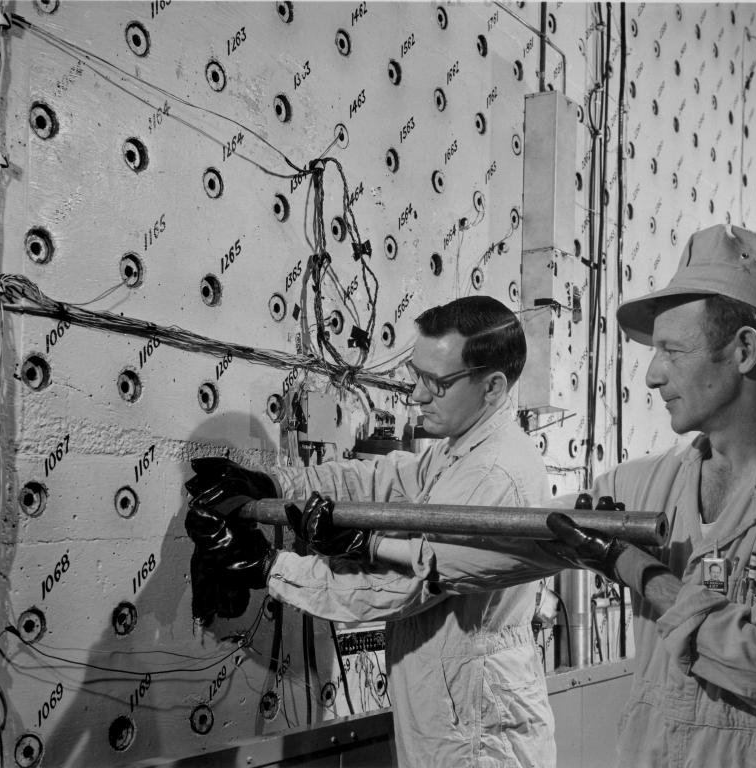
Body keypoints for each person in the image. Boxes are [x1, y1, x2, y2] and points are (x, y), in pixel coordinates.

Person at [538, 223, 756, 767]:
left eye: (671, 351)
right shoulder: (645, 483)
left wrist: (635, 568)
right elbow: (533, 532)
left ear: (744, 351)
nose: (653, 376)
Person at [185, 295, 558, 768]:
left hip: (478, 727)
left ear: (492, 386)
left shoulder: (493, 474)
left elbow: (395, 587)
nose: (417, 396)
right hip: (454, 704)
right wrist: (276, 484)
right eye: (414, 375)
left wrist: (269, 566)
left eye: (436, 384)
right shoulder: (458, 449)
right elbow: (382, 480)